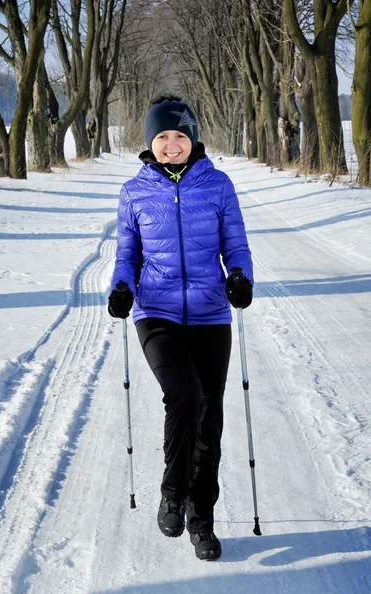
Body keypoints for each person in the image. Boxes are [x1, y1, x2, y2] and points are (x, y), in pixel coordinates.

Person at [108, 95, 253, 561]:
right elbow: (127, 253)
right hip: (156, 313)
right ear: (150, 141)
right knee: (184, 396)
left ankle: (201, 519)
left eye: (181, 136)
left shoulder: (219, 185)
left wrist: (240, 277)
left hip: (211, 314)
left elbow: (236, 243)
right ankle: (172, 492)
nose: (172, 145)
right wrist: (122, 287)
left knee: (210, 418)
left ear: (194, 139)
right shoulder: (134, 192)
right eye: (163, 137)